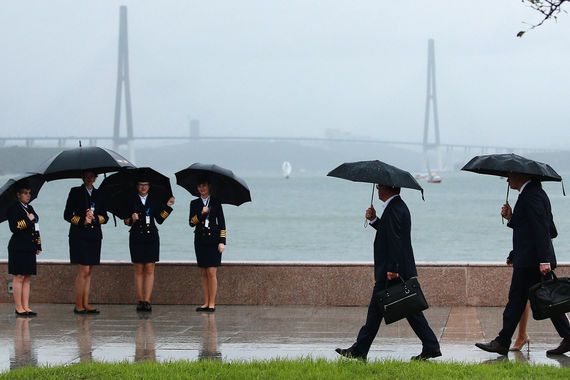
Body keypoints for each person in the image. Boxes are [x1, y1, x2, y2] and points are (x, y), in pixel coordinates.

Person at [335, 184, 441, 361]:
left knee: (398, 309)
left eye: (379, 187)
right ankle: (430, 345)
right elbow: (389, 233)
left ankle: (360, 350)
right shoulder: (397, 207)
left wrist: (392, 269)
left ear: (387, 188)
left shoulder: (394, 209)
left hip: (392, 271)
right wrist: (375, 220)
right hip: (395, 269)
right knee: (408, 309)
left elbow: (395, 241)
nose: (377, 189)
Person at [476, 174, 570, 356]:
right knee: (546, 299)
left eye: (509, 176)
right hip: (529, 258)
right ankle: (567, 336)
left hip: (532, 262)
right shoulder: (532, 193)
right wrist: (511, 217)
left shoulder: (532, 195)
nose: (507, 180)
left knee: (519, 300)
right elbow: (527, 229)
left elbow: (542, 228)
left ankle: (502, 342)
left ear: (521, 176)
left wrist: (544, 260)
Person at [124, 179, 175, 312]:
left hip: (151, 237)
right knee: (139, 269)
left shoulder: (155, 199)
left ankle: (147, 300)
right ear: (137, 186)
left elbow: (159, 219)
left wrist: (168, 206)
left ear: (149, 186)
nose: (143, 187)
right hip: (136, 237)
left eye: (145, 185)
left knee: (150, 269)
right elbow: (125, 221)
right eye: (140, 185)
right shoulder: (130, 199)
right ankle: (140, 300)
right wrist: (131, 219)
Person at [64, 170, 108, 314]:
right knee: (83, 270)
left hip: (94, 236)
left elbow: (105, 217)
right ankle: (78, 304)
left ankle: (86, 303)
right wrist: (83, 220)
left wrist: (94, 219)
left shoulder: (100, 193)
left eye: (92, 176)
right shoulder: (75, 192)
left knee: (89, 271)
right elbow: (67, 215)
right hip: (79, 236)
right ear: (83, 177)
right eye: (87, 176)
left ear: (95, 178)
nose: (89, 179)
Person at [189, 178, 226, 312]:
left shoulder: (216, 202)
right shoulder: (194, 203)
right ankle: (205, 302)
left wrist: (222, 241)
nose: (202, 189)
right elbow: (191, 222)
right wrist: (201, 214)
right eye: (199, 186)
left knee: (211, 272)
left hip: (214, 241)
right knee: (203, 273)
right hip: (200, 241)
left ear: (209, 187)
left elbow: (222, 223)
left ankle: (212, 303)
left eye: (204, 186)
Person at [7, 183, 42, 317]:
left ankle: (26, 306)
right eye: (25, 193)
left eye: (29, 193)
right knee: (19, 276)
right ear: (18, 195)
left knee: (27, 277)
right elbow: (14, 227)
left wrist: (38, 245)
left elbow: (36, 226)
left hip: (30, 246)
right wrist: (28, 219)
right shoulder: (13, 208)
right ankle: (18, 307)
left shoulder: (30, 207)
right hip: (18, 247)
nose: (28, 195)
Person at [506, 250, 531, 352]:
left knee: (549, 299)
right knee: (521, 296)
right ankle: (522, 335)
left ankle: (567, 334)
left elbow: (549, 234)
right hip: (527, 257)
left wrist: (544, 260)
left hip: (534, 258)